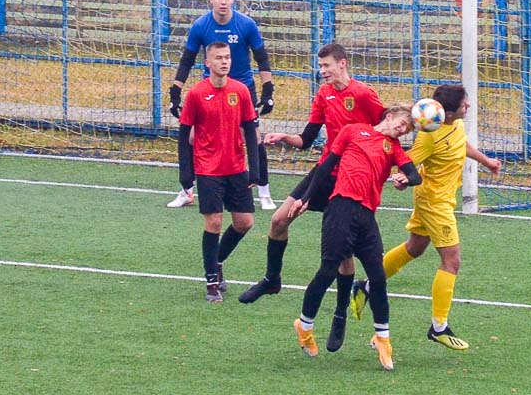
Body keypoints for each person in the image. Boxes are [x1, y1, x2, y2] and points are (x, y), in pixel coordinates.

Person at [238, 43, 387, 340]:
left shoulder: (363, 94)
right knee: (279, 220)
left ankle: (340, 314)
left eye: (327, 66)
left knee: (345, 256)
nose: (323, 72)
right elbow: (307, 138)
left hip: (352, 180)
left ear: (342, 64)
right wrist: (284, 137)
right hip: (324, 172)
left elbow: (384, 129)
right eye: (320, 67)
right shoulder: (324, 94)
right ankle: (272, 279)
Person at [350, 84, 502, 351]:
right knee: (452, 261)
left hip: (437, 199)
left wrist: (486, 161)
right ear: (450, 112)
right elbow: (406, 161)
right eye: (464, 105)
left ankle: (367, 286)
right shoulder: (429, 135)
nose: (468, 107)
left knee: (415, 248)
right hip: (435, 203)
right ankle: (439, 326)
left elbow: (460, 144)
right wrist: (401, 177)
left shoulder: (455, 125)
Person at [289, 105, 421, 370]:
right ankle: (304, 326)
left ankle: (383, 338)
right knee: (327, 271)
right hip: (340, 207)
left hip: (367, 216)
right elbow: (325, 167)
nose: (403, 129)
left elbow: (415, 175)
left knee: (378, 276)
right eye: (403, 123)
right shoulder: (352, 131)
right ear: (389, 116)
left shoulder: (393, 148)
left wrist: (405, 179)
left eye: (407, 129)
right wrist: (306, 197)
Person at [168, 0, 276, 210]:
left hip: (242, 89)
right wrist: (175, 91)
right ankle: (187, 190)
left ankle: (264, 192)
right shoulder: (200, 25)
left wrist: (268, 90)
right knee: (192, 137)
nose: (223, 2)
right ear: (211, 0)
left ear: (233, 1)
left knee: (253, 137)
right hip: (211, 90)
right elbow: (187, 60)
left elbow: (261, 57)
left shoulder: (246, 25)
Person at [178, 41, 260, 303]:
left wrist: (256, 169)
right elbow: (183, 135)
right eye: (218, 58)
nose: (224, 61)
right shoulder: (196, 94)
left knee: (244, 222)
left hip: (236, 168)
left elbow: (249, 129)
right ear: (207, 63)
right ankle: (212, 282)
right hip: (208, 169)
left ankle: (218, 260)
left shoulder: (241, 91)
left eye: (227, 57)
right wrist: (186, 172)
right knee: (214, 222)